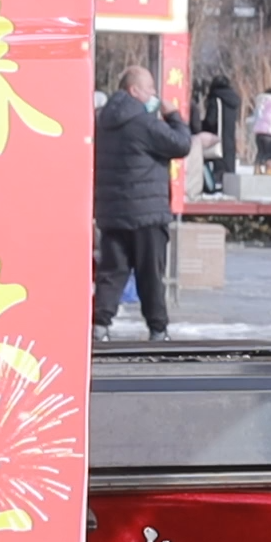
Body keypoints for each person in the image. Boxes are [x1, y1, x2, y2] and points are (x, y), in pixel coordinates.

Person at [92, 66, 193, 341]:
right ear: (134, 90)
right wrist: (173, 115)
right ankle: (157, 329)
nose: (154, 96)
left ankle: (99, 325)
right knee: (150, 274)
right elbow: (181, 144)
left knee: (112, 272)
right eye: (150, 90)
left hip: (112, 211)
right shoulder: (144, 122)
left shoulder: (101, 120)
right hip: (147, 214)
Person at [195, 74, 241, 194]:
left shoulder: (216, 99)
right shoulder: (234, 101)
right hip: (230, 139)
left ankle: (214, 188)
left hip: (217, 139)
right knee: (228, 168)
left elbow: (211, 120)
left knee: (218, 168)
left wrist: (201, 126)